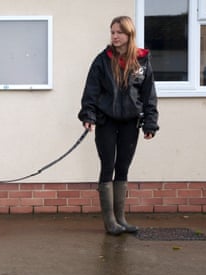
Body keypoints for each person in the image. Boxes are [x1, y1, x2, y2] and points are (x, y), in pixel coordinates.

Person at [78, 16, 159, 235]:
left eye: (119, 32)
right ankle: (110, 222)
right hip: (105, 121)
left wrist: (150, 122)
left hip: (130, 122)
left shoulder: (142, 61)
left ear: (128, 35)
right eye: (112, 32)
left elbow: (149, 94)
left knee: (123, 166)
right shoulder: (102, 60)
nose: (114, 36)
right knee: (108, 165)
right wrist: (89, 115)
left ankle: (121, 218)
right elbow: (91, 91)